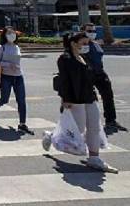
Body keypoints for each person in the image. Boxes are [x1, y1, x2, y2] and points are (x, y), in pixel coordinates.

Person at [42, 32, 118, 173]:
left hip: (89, 97)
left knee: (94, 127)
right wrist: (65, 99)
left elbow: (90, 78)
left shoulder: (84, 58)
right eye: (83, 43)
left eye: (87, 43)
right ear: (73, 43)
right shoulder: (65, 59)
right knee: (78, 128)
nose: (86, 46)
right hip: (75, 99)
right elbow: (65, 80)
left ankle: (94, 158)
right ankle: (51, 136)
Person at [0, 27, 30, 133]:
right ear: (5, 35)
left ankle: (22, 123)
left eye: (13, 33)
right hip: (6, 76)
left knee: (21, 100)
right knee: (4, 99)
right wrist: (8, 65)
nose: (12, 35)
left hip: (18, 76)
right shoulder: (1, 48)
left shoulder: (16, 47)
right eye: (9, 33)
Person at [83, 23, 125, 130]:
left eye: (93, 31)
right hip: (87, 74)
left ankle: (111, 121)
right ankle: (87, 123)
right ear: (83, 31)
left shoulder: (96, 44)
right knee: (88, 99)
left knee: (108, 96)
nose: (92, 33)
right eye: (89, 31)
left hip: (100, 73)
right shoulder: (81, 45)